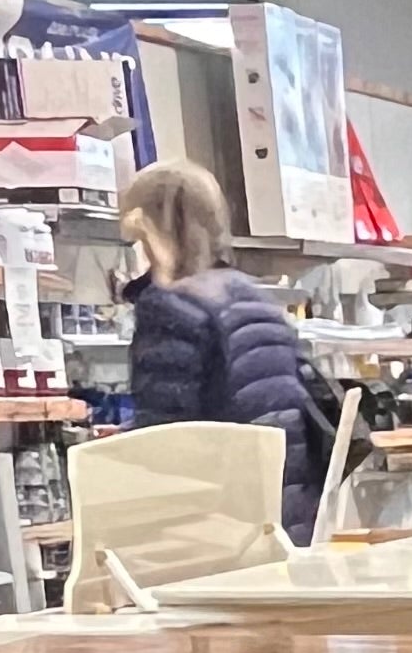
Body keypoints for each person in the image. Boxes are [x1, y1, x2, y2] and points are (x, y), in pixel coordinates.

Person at [120, 159, 320, 542]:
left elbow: (164, 438)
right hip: (286, 512)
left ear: (146, 229)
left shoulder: (171, 307)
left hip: (215, 526)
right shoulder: (256, 298)